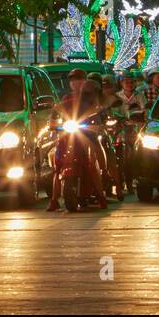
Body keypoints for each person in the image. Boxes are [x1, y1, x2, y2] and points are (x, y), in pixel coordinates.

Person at [46, 68, 109, 212]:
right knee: (57, 167)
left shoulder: (90, 96)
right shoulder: (67, 97)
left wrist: (96, 122)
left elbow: (97, 110)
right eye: (73, 80)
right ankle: (54, 199)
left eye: (78, 79)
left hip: (85, 133)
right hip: (68, 135)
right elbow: (57, 111)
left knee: (92, 163)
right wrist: (52, 122)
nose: (75, 83)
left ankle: (101, 196)